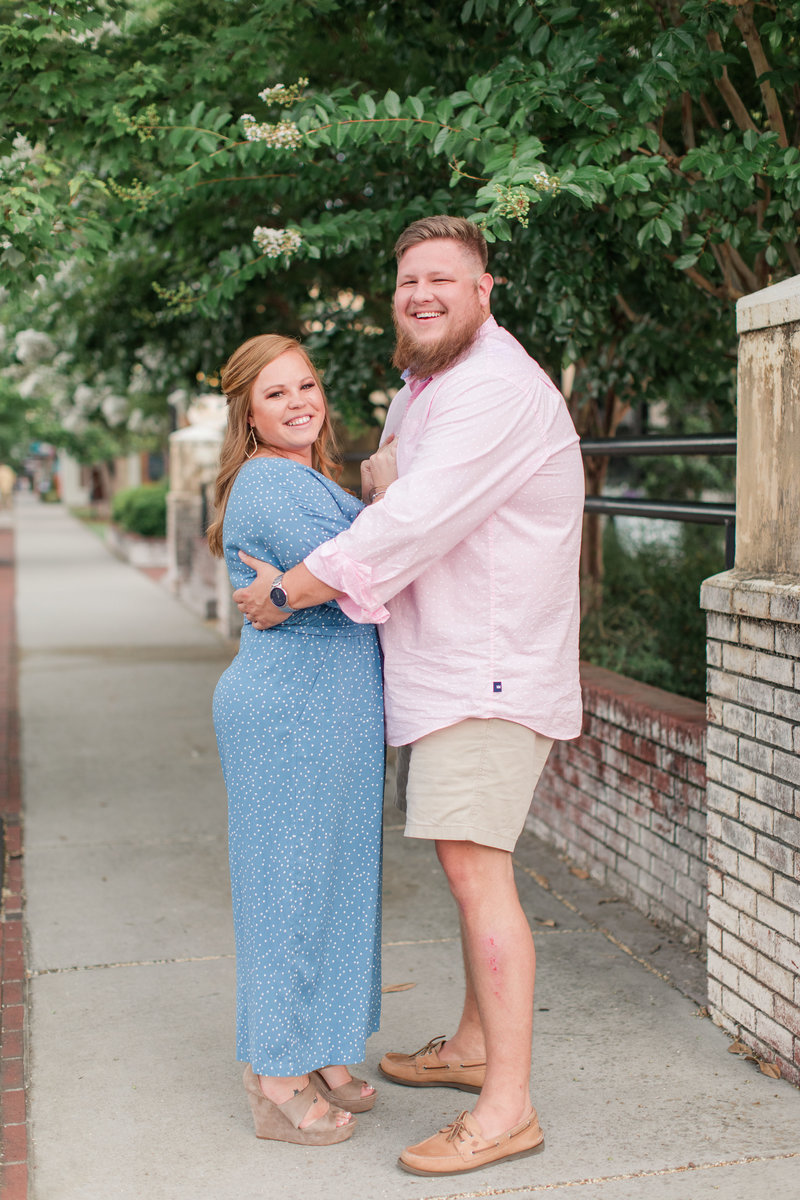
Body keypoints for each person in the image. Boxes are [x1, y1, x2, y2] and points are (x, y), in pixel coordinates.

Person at [233, 216, 584, 1177]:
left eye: (443, 278)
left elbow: (408, 522)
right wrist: (383, 488)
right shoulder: (426, 389)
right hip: (447, 670)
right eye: (407, 282)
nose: (420, 294)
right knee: (467, 865)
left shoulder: (493, 393)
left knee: (480, 875)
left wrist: (285, 590)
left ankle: (505, 1108)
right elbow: (388, 497)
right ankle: (473, 1047)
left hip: (488, 669)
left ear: (486, 289)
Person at [209, 334, 397, 1147]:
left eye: (307, 386)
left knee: (335, 885)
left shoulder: (310, 478)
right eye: (276, 393)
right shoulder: (270, 482)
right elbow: (375, 559)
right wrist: (386, 498)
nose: (298, 402)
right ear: (248, 415)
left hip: (333, 710)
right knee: (287, 890)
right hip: (289, 711)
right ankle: (276, 1077)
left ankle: (320, 1048)